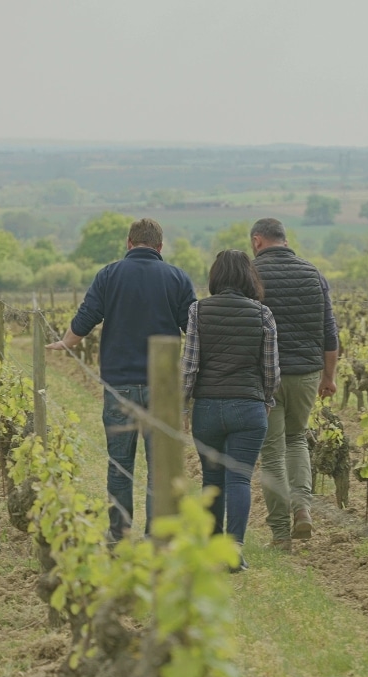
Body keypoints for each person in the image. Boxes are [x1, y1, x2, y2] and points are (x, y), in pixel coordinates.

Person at [47, 218, 196, 542]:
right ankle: (157, 535)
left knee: (120, 464)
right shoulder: (177, 277)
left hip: (119, 385)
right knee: (160, 466)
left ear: (129, 243)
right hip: (163, 388)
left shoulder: (109, 275)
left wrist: (66, 342)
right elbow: (193, 327)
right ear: (160, 246)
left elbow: (87, 316)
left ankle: (118, 533)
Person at [181, 250, 279, 572]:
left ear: (216, 276)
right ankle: (234, 550)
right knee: (239, 479)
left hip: (207, 408)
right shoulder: (263, 314)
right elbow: (271, 371)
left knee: (212, 479)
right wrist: (265, 401)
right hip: (248, 407)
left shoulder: (197, 310)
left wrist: (184, 405)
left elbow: (190, 366)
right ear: (248, 277)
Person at [250, 217, 338, 551]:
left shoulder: (252, 274)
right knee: (297, 439)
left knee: (271, 452)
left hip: (266, 376)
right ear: (284, 240)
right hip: (306, 374)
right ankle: (302, 507)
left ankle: (280, 534)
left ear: (258, 241)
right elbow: (330, 333)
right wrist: (328, 377)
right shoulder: (313, 273)